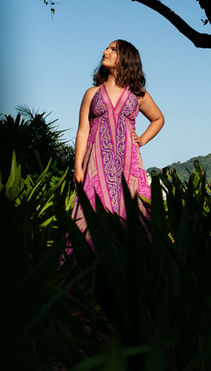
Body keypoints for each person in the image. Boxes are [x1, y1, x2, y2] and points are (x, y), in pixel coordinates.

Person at [67, 40, 164, 253]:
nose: (105, 51)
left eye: (113, 50)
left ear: (126, 57)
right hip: (96, 165)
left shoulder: (138, 95)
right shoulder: (92, 93)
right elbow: (83, 131)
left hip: (129, 165)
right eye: (106, 48)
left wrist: (143, 139)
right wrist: (78, 167)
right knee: (90, 214)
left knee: (132, 213)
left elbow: (158, 119)